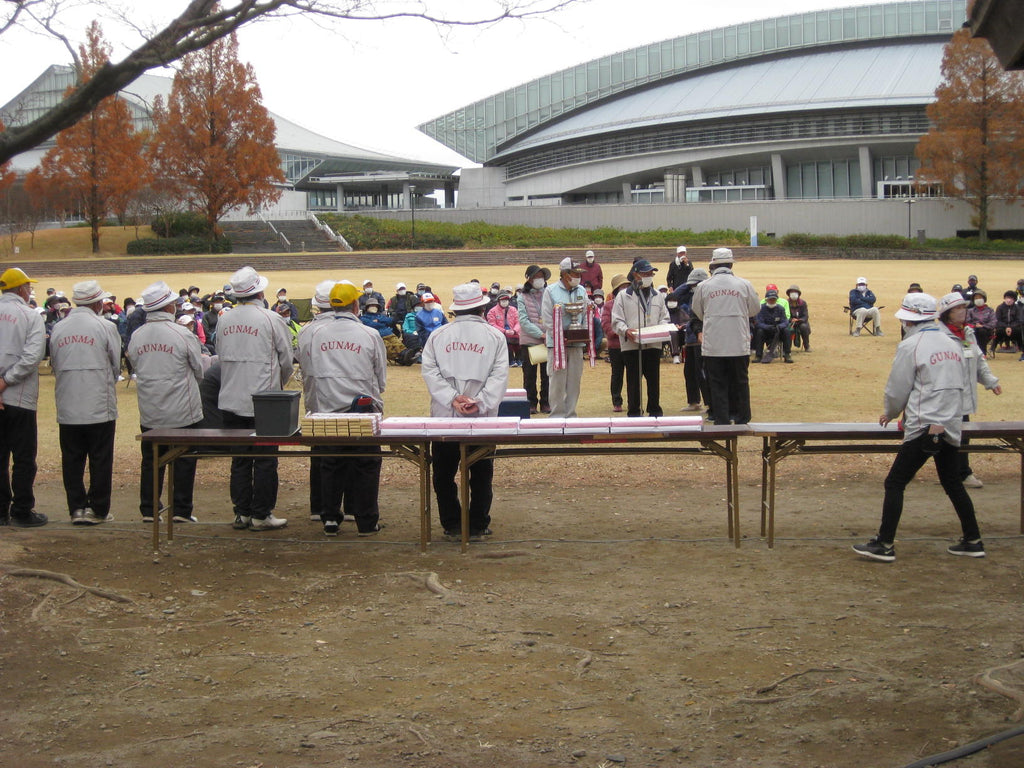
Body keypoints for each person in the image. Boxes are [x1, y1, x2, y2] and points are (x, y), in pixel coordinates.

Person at [853, 293, 985, 562]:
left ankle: (885, 544)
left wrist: (890, 413)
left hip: (924, 424)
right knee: (952, 482)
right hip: (951, 422)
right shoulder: (953, 341)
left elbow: (897, 388)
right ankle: (973, 540)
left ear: (910, 320)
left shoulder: (911, 345)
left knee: (895, 482)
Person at [421, 283, 510, 539]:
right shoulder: (495, 336)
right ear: (482, 307)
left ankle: (451, 524)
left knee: (444, 474)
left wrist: (452, 398)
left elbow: (430, 371)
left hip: (444, 417)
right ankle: (478, 524)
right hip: (481, 419)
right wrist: (479, 401)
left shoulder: (438, 336)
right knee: (481, 474)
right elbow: (499, 376)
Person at [300, 281, 387, 537]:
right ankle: (367, 520)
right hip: (362, 410)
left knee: (330, 463)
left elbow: (308, 370)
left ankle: (329, 517)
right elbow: (380, 378)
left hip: (327, 409)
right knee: (366, 464)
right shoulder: (369, 334)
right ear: (356, 305)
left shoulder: (315, 334)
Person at [217, 266, 294, 531]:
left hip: (231, 397)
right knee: (265, 459)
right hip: (265, 401)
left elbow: (219, 355)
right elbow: (286, 360)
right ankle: (262, 513)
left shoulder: (224, 319)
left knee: (239, 459)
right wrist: (277, 384)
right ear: (260, 291)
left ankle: (242, 513)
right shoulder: (272, 319)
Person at [127, 281, 206, 523]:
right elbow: (199, 369)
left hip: (150, 408)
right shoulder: (182, 334)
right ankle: (181, 509)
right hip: (183, 408)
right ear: (169, 307)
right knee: (184, 460)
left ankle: (149, 508)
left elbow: (135, 366)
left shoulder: (137, 336)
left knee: (151, 460)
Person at [49, 280, 122, 525]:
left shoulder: (59, 327)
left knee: (72, 458)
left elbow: (55, 363)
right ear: (98, 303)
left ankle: (76, 508)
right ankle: (98, 509)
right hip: (99, 402)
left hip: (68, 401)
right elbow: (115, 364)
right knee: (100, 457)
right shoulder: (105, 327)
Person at [937, 292, 1001, 489]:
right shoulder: (937, 335)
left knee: (962, 435)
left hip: (963, 395)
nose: (964, 311)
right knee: (937, 435)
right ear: (947, 313)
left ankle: (962, 473)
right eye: (959, 308)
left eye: (964, 307)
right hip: (943, 396)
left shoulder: (968, 333)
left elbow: (978, 360)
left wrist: (990, 381)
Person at [0, 267, 48, 527]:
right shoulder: (30, 316)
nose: (30, 290)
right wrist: (6, 381)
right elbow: (31, 358)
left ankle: (0, 511)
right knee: (24, 457)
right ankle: (21, 510)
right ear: (21, 290)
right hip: (20, 397)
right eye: (28, 287)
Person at [691, 248, 760, 425]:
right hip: (738, 341)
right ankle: (742, 417)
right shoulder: (744, 284)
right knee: (740, 381)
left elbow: (698, 311)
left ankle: (721, 419)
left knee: (717, 382)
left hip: (714, 343)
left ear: (713, 264)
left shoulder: (703, 286)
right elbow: (754, 309)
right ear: (730, 264)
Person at [297, 280, 336, 522]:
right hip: (346, 403)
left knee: (319, 452)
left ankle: (319, 506)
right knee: (350, 454)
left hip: (315, 398)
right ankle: (350, 506)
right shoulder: (355, 329)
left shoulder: (306, 330)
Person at [611, 259, 669, 417]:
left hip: (653, 344)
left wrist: (662, 327)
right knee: (633, 381)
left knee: (653, 379)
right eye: (645, 273)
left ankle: (654, 409)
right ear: (635, 275)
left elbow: (665, 317)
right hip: (632, 345)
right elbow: (616, 320)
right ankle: (634, 410)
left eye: (651, 273)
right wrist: (625, 330)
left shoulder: (658, 295)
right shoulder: (623, 296)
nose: (649, 276)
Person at [542, 257, 590, 418]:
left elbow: (584, 315)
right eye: (574, 273)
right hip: (556, 345)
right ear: (565, 274)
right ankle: (556, 415)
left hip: (576, 344)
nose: (578, 276)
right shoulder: (550, 291)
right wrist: (559, 336)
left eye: (579, 273)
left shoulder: (581, 291)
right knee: (557, 381)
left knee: (574, 381)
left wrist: (581, 332)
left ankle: (571, 414)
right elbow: (547, 318)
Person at [517, 265, 551, 414]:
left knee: (547, 374)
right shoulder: (521, 297)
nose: (540, 280)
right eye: (536, 277)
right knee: (529, 375)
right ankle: (530, 403)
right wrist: (540, 334)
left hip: (547, 340)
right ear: (529, 279)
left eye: (541, 277)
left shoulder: (549, 294)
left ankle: (546, 402)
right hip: (530, 341)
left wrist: (547, 334)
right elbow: (523, 321)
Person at [678, 268, 711, 412]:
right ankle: (693, 401)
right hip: (689, 339)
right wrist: (687, 284)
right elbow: (674, 297)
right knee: (689, 372)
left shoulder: (708, 295)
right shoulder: (690, 294)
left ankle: (710, 403)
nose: (693, 287)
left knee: (702, 373)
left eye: (695, 284)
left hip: (702, 338)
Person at [753, 287, 793, 364]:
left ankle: (787, 354)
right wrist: (768, 327)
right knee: (759, 331)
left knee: (787, 331)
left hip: (778, 331)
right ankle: (758, 355)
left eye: (774, 299)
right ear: (766, 299)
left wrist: (779, 326)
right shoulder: (761, 309)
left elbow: (785, 321)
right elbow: (758, 322)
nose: (772, 301)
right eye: (770, 299)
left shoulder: (780, 308)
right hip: (766, 332)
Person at [359, 296, 404, 362]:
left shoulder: (380, 316)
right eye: (371, 305)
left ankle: (406, 355)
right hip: (378, 337)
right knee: (388, 348)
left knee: (399, 345)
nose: (374, 307)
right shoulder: (363, 318)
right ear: (367, 307)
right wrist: (382, 323)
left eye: (375, 305)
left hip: (389, 334)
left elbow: (390, 320)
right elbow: (371, 325)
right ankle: (399, 358)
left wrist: (378, 320)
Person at [486, 290, 521, 367]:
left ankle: (519, 359)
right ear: (498, 301)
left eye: (506, 300)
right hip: (501, 333)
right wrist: (504, 331)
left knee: (519, 343)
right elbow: (492, 324)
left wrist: (514, 330)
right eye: (502, 300)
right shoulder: (492, 311)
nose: (505, 301)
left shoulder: (513, 309)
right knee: (507, 343)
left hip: (513, 332)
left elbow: (518, 322)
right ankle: (511, 360)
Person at [993, 290, 1023, 357]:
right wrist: (1006, 327)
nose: (1009, 300)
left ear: (1014, 300)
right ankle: (993, 347)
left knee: (1019, 331)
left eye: (1011, 298)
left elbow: (1019, 320)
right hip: (1002, 327)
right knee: (998, 331)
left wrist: (1011, 327)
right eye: (1007, 297)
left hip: (1014, 328)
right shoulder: (1000, 307)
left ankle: (1021, 347)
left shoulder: (1017, 308)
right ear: (1005, 298)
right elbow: (997, 320)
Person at [966, 289, 996, 355]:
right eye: (976, 298)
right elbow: (967, 322)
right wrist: (974, 325)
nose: (978, 299)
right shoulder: (970, 311)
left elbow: (993, 322)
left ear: (984, 299)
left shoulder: (990, 310)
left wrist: (983, 326)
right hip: (973, 330)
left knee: (981, 331)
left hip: (987, 331)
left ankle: (983, 353)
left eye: (980, 297)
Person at [787, 285, 811, 352]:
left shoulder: (803, 303)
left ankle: (807, 345)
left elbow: (805, 316)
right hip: (790, 322)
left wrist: (799, 320)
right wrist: (791, 320)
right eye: (792, 292)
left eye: (795, 292)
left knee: (804, 327)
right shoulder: (786, 303)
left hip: (800, 322)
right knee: (788, 329)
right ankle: (787, 347)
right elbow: (785, 315)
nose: (793, 294)